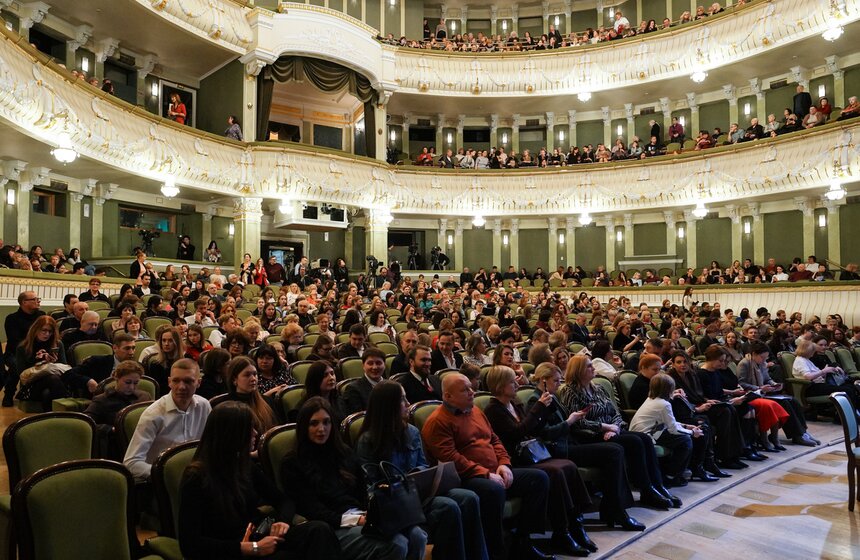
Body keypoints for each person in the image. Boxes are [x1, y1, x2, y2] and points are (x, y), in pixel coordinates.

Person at [178, 401, 340, 559]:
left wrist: (282, 522)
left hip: (258, 535)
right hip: (233, 549)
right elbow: (190, 544)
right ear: (232, 434)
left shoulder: (243, 464)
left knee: (319, 530)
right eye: (250, 429)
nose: (255, 433)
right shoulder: (196, 478)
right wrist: (251, 548)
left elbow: (283, 500)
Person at [421, 373, 554, 560]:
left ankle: (521, 542)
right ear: (447, 396)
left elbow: (494, 439)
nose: (471, 392)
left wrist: (504, 464)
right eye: (464, 390)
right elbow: (450, 459)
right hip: (466, 478)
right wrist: (485, 474)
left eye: (470, 387)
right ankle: (496, 551)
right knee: (494, 490)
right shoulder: (438, 421)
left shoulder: (475, 410)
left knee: (539, 479)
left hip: (495, 471)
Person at [356, 381, 488, 560]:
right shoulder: (368, 440)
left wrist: (421, 475)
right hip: (397, 501)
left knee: (469, 497)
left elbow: (424, 465)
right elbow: (371, 484)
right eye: (402, 399)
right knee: (448, 507)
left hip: (420, 492)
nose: (408, 403)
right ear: (388, 405)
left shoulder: (411, 431)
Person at [282, 397, 427, 560]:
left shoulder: (343, 452)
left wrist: (374, 514)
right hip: (333, 527)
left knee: (417, 536)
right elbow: (312, 510)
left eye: (326, 422)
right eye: (314, 423)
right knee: (397, 544)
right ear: (303, 427)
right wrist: (356, 519)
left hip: (362, 516)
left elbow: (363, 493)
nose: (321, 429)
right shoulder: (293, 463)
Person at [483, 366, 595, 556]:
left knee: (567, 465)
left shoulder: (514, 403)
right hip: (515, 458)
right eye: (512, 381)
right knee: (556, 472)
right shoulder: (494, 409)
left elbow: (533, 429)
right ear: (500, 386)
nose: (517, 383)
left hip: (530, 453)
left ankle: (576, 523)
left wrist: (545, 410)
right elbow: (517, 433)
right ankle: (562, 531)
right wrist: (538, 408)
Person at [559, 355, 680, 509]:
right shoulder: (570, 392)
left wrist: (615, 428)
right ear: (578, 370)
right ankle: (646, 490)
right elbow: (577, 421)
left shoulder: (598, 388)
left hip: (612, 431)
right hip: (590, 435)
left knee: (645, 439)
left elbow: (615, 412)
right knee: (634, 442)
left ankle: (657, 485)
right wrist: (604, 427)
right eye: (589, 366)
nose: (593, 368)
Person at [124, 358, 211, 481]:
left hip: (196, 478)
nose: (181, 387)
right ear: (169, 382)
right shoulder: (153, 414)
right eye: (176, 381)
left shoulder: (204, 406)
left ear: (198, 382)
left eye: (188, 381)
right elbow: (131, 463)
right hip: (163, 482)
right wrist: (167, 474)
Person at [738, 341, 819, 447]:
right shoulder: (744, 364)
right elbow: (741, 383)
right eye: (762, 357)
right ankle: (797, 435)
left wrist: (774, 384)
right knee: (785, 404)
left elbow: (767, 378)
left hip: (764, 392)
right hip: (754, 394)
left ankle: (803, 432)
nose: (764, 360)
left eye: (765, 358)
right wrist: (759, 388)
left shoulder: (761, 363)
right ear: (754, 354)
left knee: (792, 400)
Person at [13, 315, 97, 412]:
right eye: (43, 330)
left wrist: (53, 362)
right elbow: (22, 373)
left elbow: (65, 369)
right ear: (35, 329)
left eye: (50, 331)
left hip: (55, 382)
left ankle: (54, 417)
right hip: (32, 385)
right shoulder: (23, 347)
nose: (47, 334)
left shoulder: (57, 344)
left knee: (48, 392)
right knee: (52, 379)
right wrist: (39, 363)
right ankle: (69, 408)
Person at [629, 373, 695, 488]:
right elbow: (673, 429)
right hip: (648, 436)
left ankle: (672, 473)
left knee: (683, 437)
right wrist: (693, 432)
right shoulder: (664, 404)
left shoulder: (651, 399)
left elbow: (668, 423)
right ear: (669, 389)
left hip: (646, 433)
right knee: (686, 441)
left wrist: (685, 426)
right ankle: (671, 476)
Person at [3, 290, 46, 405]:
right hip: (15, 353)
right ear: (24, 302)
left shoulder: (42, 316)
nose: (38, 301)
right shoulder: (12, 318)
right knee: (16, 366)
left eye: (38, 299)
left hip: (38, 351)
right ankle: (9, 394)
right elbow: (14, 342)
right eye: (35, 299)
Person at [223, 356, 278, 435]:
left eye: (255, 374)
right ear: (234, 380)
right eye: (247, 375)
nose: (253, 379)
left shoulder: (267, 401)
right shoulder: (226, 407)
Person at [84, 361, 150, 426]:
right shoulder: (101, 400)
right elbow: (87, 424)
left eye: (136, 383)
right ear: (116, 378)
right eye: (127, 382)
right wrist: (110, 430)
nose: (131, 387)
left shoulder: (145, 397)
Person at [342, 348, 386, 414]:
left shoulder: (393, 386)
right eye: (370, 363)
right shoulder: (353, 389)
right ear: (363, 366)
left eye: (378, 363)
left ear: (384, 365)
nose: (374, 367)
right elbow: (358, 420)